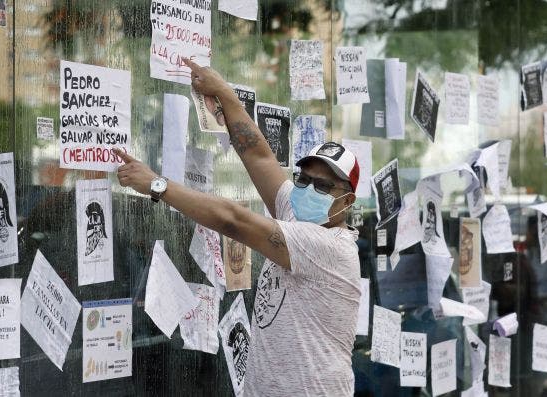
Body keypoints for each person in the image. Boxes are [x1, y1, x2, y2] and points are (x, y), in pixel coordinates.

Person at [113, 58, 362, 396]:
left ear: (345, 202)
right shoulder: (300, 212)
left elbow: (233, 220)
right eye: (303, 179)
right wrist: (223, 94)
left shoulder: (327, 246)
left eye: (322, 186)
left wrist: (157, 185)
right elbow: (259, 156)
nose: (306, 189)